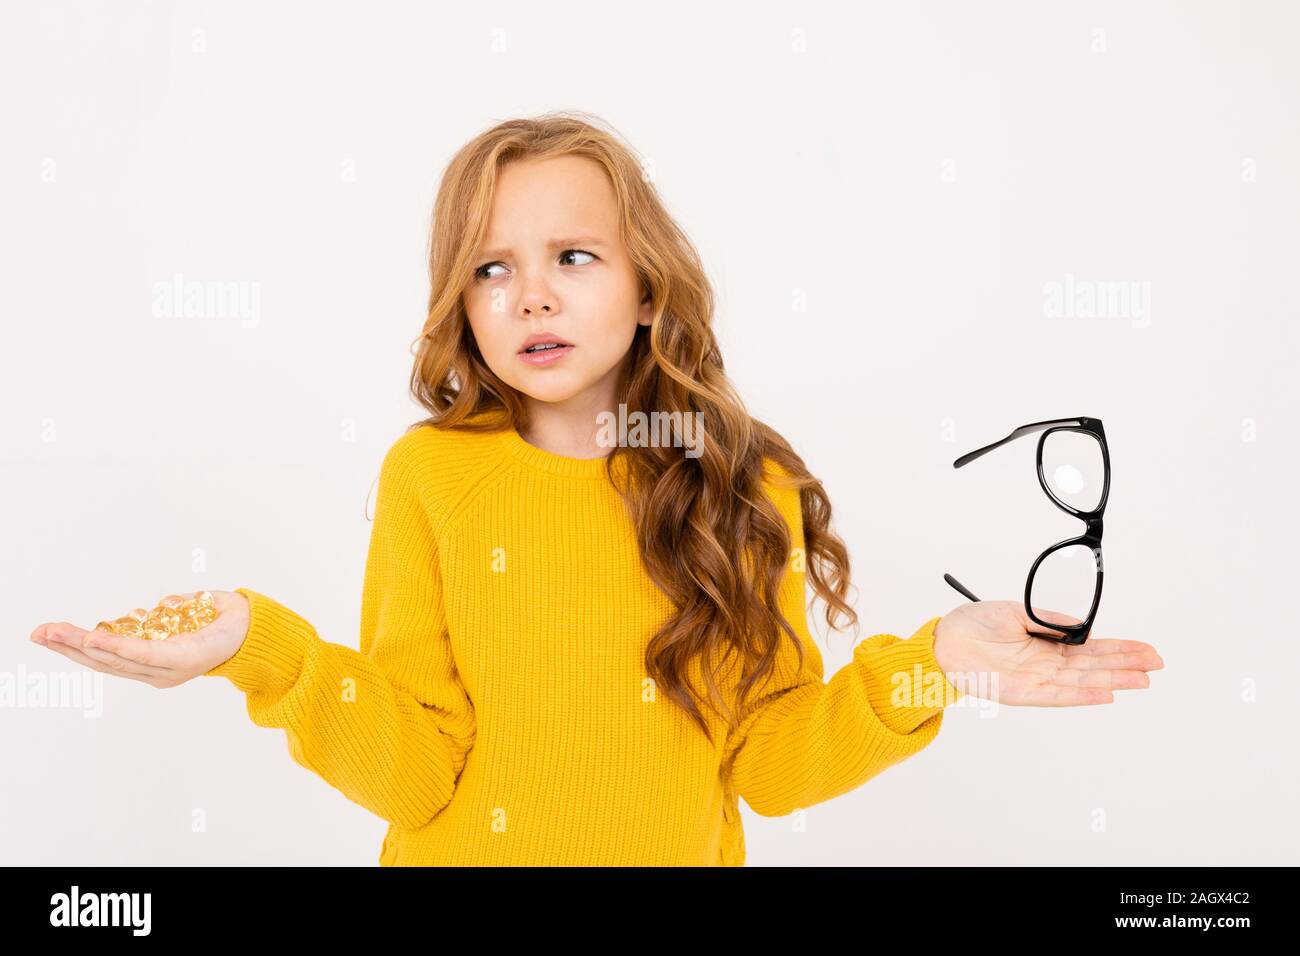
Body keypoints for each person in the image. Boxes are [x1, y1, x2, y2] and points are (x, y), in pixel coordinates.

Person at [30, 112, 1163, 866]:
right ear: (460, 305)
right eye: (490, 268)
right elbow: (418, 767)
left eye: (572, 257)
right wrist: (256, 644)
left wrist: (938, 662)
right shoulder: (432, 474)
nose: (530, 297)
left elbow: (769, 761)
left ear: (646, 290)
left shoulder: (737, 481)